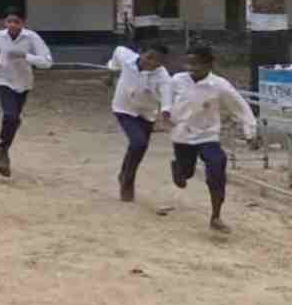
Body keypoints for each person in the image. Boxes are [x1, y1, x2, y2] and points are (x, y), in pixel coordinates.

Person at [169, 45, 257, 234]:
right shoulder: (177, 80)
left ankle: (216, 216)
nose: (191, 68)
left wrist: (250, 132)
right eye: (188, 63)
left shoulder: (220, 85)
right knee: (187, 174)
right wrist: (163, 114)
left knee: (217, 165)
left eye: (196, 63)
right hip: (182, 136)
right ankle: (178, 168)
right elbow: (165, 100)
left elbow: (240, 107)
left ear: (209, 64)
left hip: (207, 135)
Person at [0, 7, 53, 177]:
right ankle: (2, 150)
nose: (12, 25)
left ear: (23, 23)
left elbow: (47, 62)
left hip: (23, 83)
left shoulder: (32, 37)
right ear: (4, 22)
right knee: (11, 116)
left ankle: (3, 147)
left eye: (16, 22)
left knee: (14, 119)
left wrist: (26, 56)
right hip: (3, 80)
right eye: (9, 21)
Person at [108, 43, 173, 202]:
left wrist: (165, 111)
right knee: (138, 142)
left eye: (158, 61)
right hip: (123, 108)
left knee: (141, 147)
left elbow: (166, 95)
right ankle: (127, 182)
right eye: (149, 57)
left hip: (146, 114)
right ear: (140, 52)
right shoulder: (126, 56)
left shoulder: (162, 76)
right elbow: (117, 52)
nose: (151, 63)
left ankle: (124, 174)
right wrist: (112, 69)